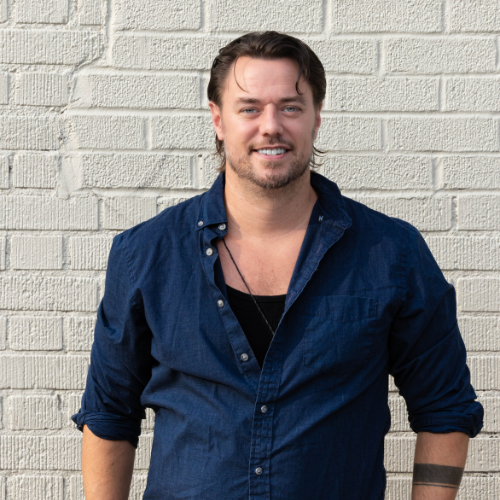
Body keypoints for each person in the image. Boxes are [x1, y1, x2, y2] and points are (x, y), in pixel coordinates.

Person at [72, 31, 483, 500]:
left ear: (316, 118)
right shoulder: (146, 254)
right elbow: (109, 414)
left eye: (290, 106)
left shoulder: (391, 254)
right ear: (218, 120)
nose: (271, 126)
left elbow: (445, 408)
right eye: (249, 108)